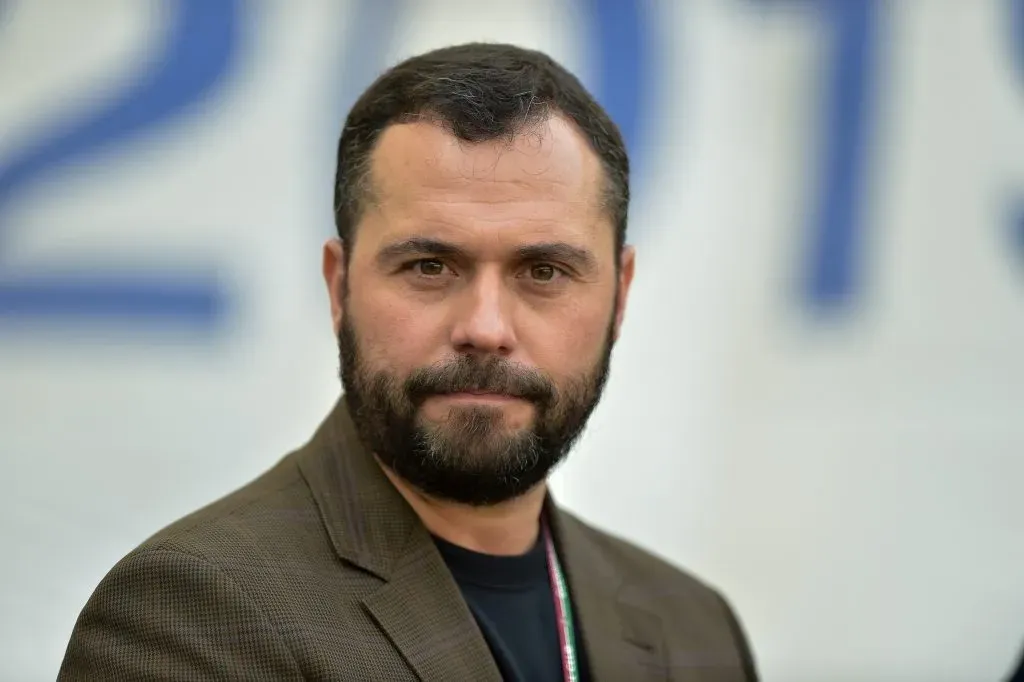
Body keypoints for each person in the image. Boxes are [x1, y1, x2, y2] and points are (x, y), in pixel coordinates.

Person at [58, 42, 758, 681]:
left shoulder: (694, 632)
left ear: (620, 294)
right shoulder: (192, 613)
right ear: (340, 287)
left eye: (543, 271)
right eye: (430, 265)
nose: (485, 328)